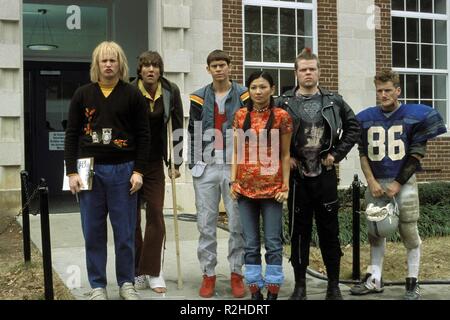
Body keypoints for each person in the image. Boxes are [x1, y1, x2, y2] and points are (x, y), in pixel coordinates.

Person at [64, 41, 150, 300]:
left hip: (124, 171)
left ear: (120, 63)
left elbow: (144, 136)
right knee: (93, 231)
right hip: (88, 169)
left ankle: (126, 284)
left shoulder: (132, 94)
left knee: (125, 233)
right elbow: (71, 134)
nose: (109, 64)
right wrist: (71, 172)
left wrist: (139, 171)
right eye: (104, 60)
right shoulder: (83, 94)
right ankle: (98, 286)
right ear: (97, 64)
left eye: (113, 60)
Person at [350, 69, 447, 300]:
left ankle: (412, 282)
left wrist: (397, 182)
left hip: (404, 184)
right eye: (379, 91)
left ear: (398, 90)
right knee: (375, 233)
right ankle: (375, 279)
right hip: (376, 184)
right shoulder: (366, 117)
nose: (383, 95)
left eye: (387, 90)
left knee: (409, 233)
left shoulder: (414, 115)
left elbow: (416, 154)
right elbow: (362, 153)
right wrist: (371, 181)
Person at [276, 48, 360, 300]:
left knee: (329, 232)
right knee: (298, 233)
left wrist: (336, 154)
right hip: (297, 178)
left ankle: (333, 285)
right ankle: (300, 285)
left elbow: (354, 127)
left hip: (324, 177)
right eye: (303, 69)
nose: (308, 73)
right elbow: (269, 131)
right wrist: (285, 156)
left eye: (312, 69)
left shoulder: (334, 101)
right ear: (296, 73)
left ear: (319, 72)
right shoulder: (283, 102)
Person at [188, 49, 248, 298]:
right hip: (208, 165)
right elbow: (192, 130)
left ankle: (236, 273)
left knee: (237, 223)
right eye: (214, 65)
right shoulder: (199, 97)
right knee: (206, 223)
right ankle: (208, 274)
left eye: (223, 64)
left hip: (235, 165)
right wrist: (192, 162)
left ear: (230, 67)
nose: (219, 69)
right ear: (208, 69)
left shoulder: (244, 94)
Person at [230, 71, 292, 300]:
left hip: (273, 191)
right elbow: (236, 152)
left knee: (274, 243)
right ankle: (255, 290)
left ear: (272, 89)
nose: (258, 91)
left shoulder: (281, 116)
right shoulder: (239, 116)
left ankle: (273, 291)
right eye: (254, 87)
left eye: (263, 87)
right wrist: (233, 181)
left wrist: (285, 185)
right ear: (249, 90)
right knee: (251, 244)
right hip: (245, 190)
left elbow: (285, 155)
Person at [131, 51, 184, 293]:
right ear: (139, 70)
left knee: (155, 214)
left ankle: (152, 271)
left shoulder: (170, 91)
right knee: (131, 219)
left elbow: (178, 127)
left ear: (160, 70)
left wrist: (177, 161)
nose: (150, 69)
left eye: (155, 65)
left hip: (154, 163)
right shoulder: (130, 91)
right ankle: (137, 270)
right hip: (129, 162)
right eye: (146, 66)